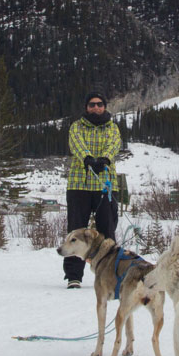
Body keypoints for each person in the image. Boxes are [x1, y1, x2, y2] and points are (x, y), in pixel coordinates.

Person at [63, 92, 122, 288]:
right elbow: (76, 143)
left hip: (105, 185)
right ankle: (73, 275)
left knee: (107, 231)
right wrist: (87, 158)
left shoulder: (112, 127)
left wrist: (104, 158)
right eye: (91, 104)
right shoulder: (77, 126)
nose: (96, 107)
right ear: (86, 107)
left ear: (104, 107)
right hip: (79, 185)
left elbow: (114, 144)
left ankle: (109, 275)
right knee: (76, 230)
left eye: (99, 104)